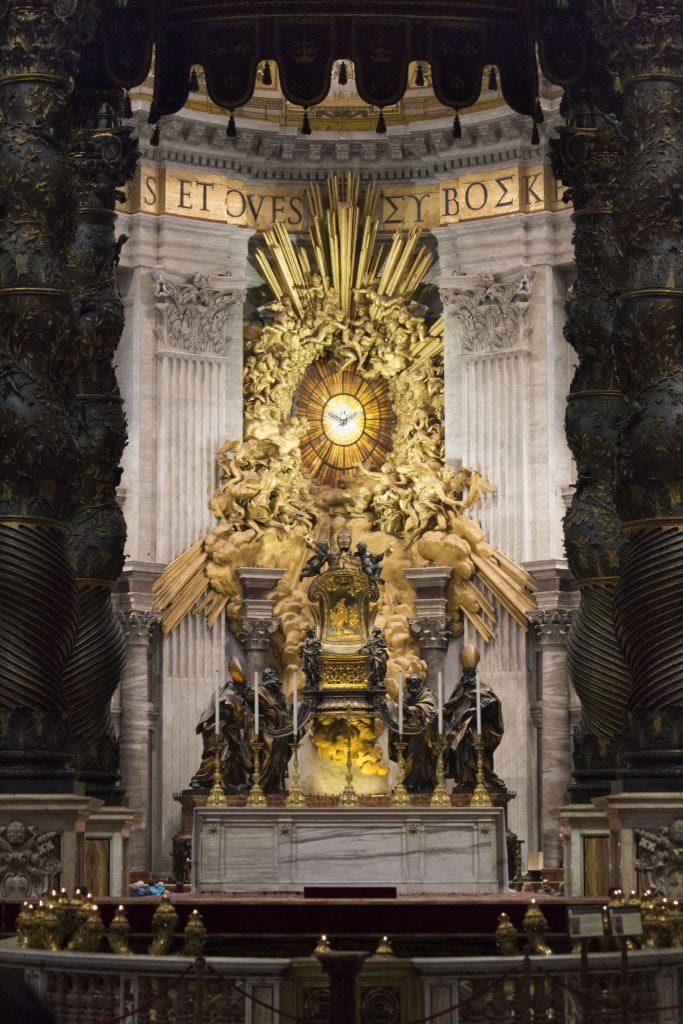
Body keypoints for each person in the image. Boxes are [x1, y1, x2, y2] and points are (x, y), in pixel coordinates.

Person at [190, 659, 252, 792]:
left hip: (232, 731)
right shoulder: (225, 692)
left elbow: (242, 717)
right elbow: (224, 710)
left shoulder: (241, 694)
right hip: (217, 729)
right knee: (216, 755)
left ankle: (232, 782)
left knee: (236, 756)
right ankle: (201, 779)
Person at [443, 665, 504, 791]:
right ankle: (466, 779)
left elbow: (494, 703)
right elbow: (451, 706)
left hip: (477, 727)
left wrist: (483, 706)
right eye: (466, 673)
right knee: (461, 752)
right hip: (460, 728)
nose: (468, 677)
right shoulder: (460, 689)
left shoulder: (483, 687)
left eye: (471, 673)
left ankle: (485, 778)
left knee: (477, 749)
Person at [389, 674, 438, 793]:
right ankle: (410, 780)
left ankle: (421, 781)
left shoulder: (427, 694)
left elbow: (429, 709)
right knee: (408, 755)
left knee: (420, 756)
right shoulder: (407, 696)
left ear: (420, 683)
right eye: (411, 684)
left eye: (415, 683)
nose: (413, 686)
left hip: (423, 734)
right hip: (409, 734)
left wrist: (410, 709)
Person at [258, 668, 292, 795]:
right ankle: (261, 785)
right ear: (264, 678)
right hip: (266, 730)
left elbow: (285, 712)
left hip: (281, 731)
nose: (271, 676)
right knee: (267, 756)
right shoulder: (260, 693)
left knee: (279, 758)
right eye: (268, 674)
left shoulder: (280, 696)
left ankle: (275, 785)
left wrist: (288, 720)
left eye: (273, 674)